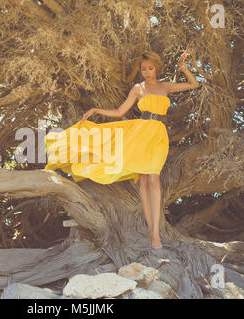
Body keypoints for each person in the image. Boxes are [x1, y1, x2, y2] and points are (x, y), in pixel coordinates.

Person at [44, 49, 199, 249]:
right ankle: (153, 234)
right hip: (141, 133)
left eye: (150, 68)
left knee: (154, 179)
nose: (147, 72)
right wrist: (95, 110)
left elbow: (194, 84)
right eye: (143, 69)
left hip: (159, 134)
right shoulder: (138, 88)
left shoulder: (165, 86)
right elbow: (119, 112)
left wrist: (183, 67)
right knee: (144, 180)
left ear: (157, 68)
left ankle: (155, 231)